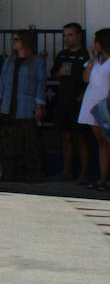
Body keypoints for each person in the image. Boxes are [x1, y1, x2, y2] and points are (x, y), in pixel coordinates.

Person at [0, 29, 47, 183]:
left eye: (17, 39)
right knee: (8, 143)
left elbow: (40, 84)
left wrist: (39, 105)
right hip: (9, 106)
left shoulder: (36, 62)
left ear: (25, 41)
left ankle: (30, 174)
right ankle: (6, 173)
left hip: (26, 107)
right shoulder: (10, 60)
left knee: (28, 143)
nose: (14, 42)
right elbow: (2, 82)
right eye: (13, 39)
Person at [49, 23, 93, 181]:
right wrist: (59, 73)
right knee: (65, 136)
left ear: (79, 36)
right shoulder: (62, 54)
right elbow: (53, 74)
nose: (67, 38)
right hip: (63, 101)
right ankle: (66, 172)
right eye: (64, 35)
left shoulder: (87, 54)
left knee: (82, 137)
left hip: (80, 102)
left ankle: (83, 174)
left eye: (70, 35)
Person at [77, 28, 110, 190]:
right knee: (101, 142)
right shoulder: (96, 60)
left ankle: (105, 178)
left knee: (107, 141)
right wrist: (90, 61)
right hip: (91, 103)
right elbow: (85, 79)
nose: (93, 44)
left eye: (95, 41)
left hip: (104, 106)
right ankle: (102, 177)